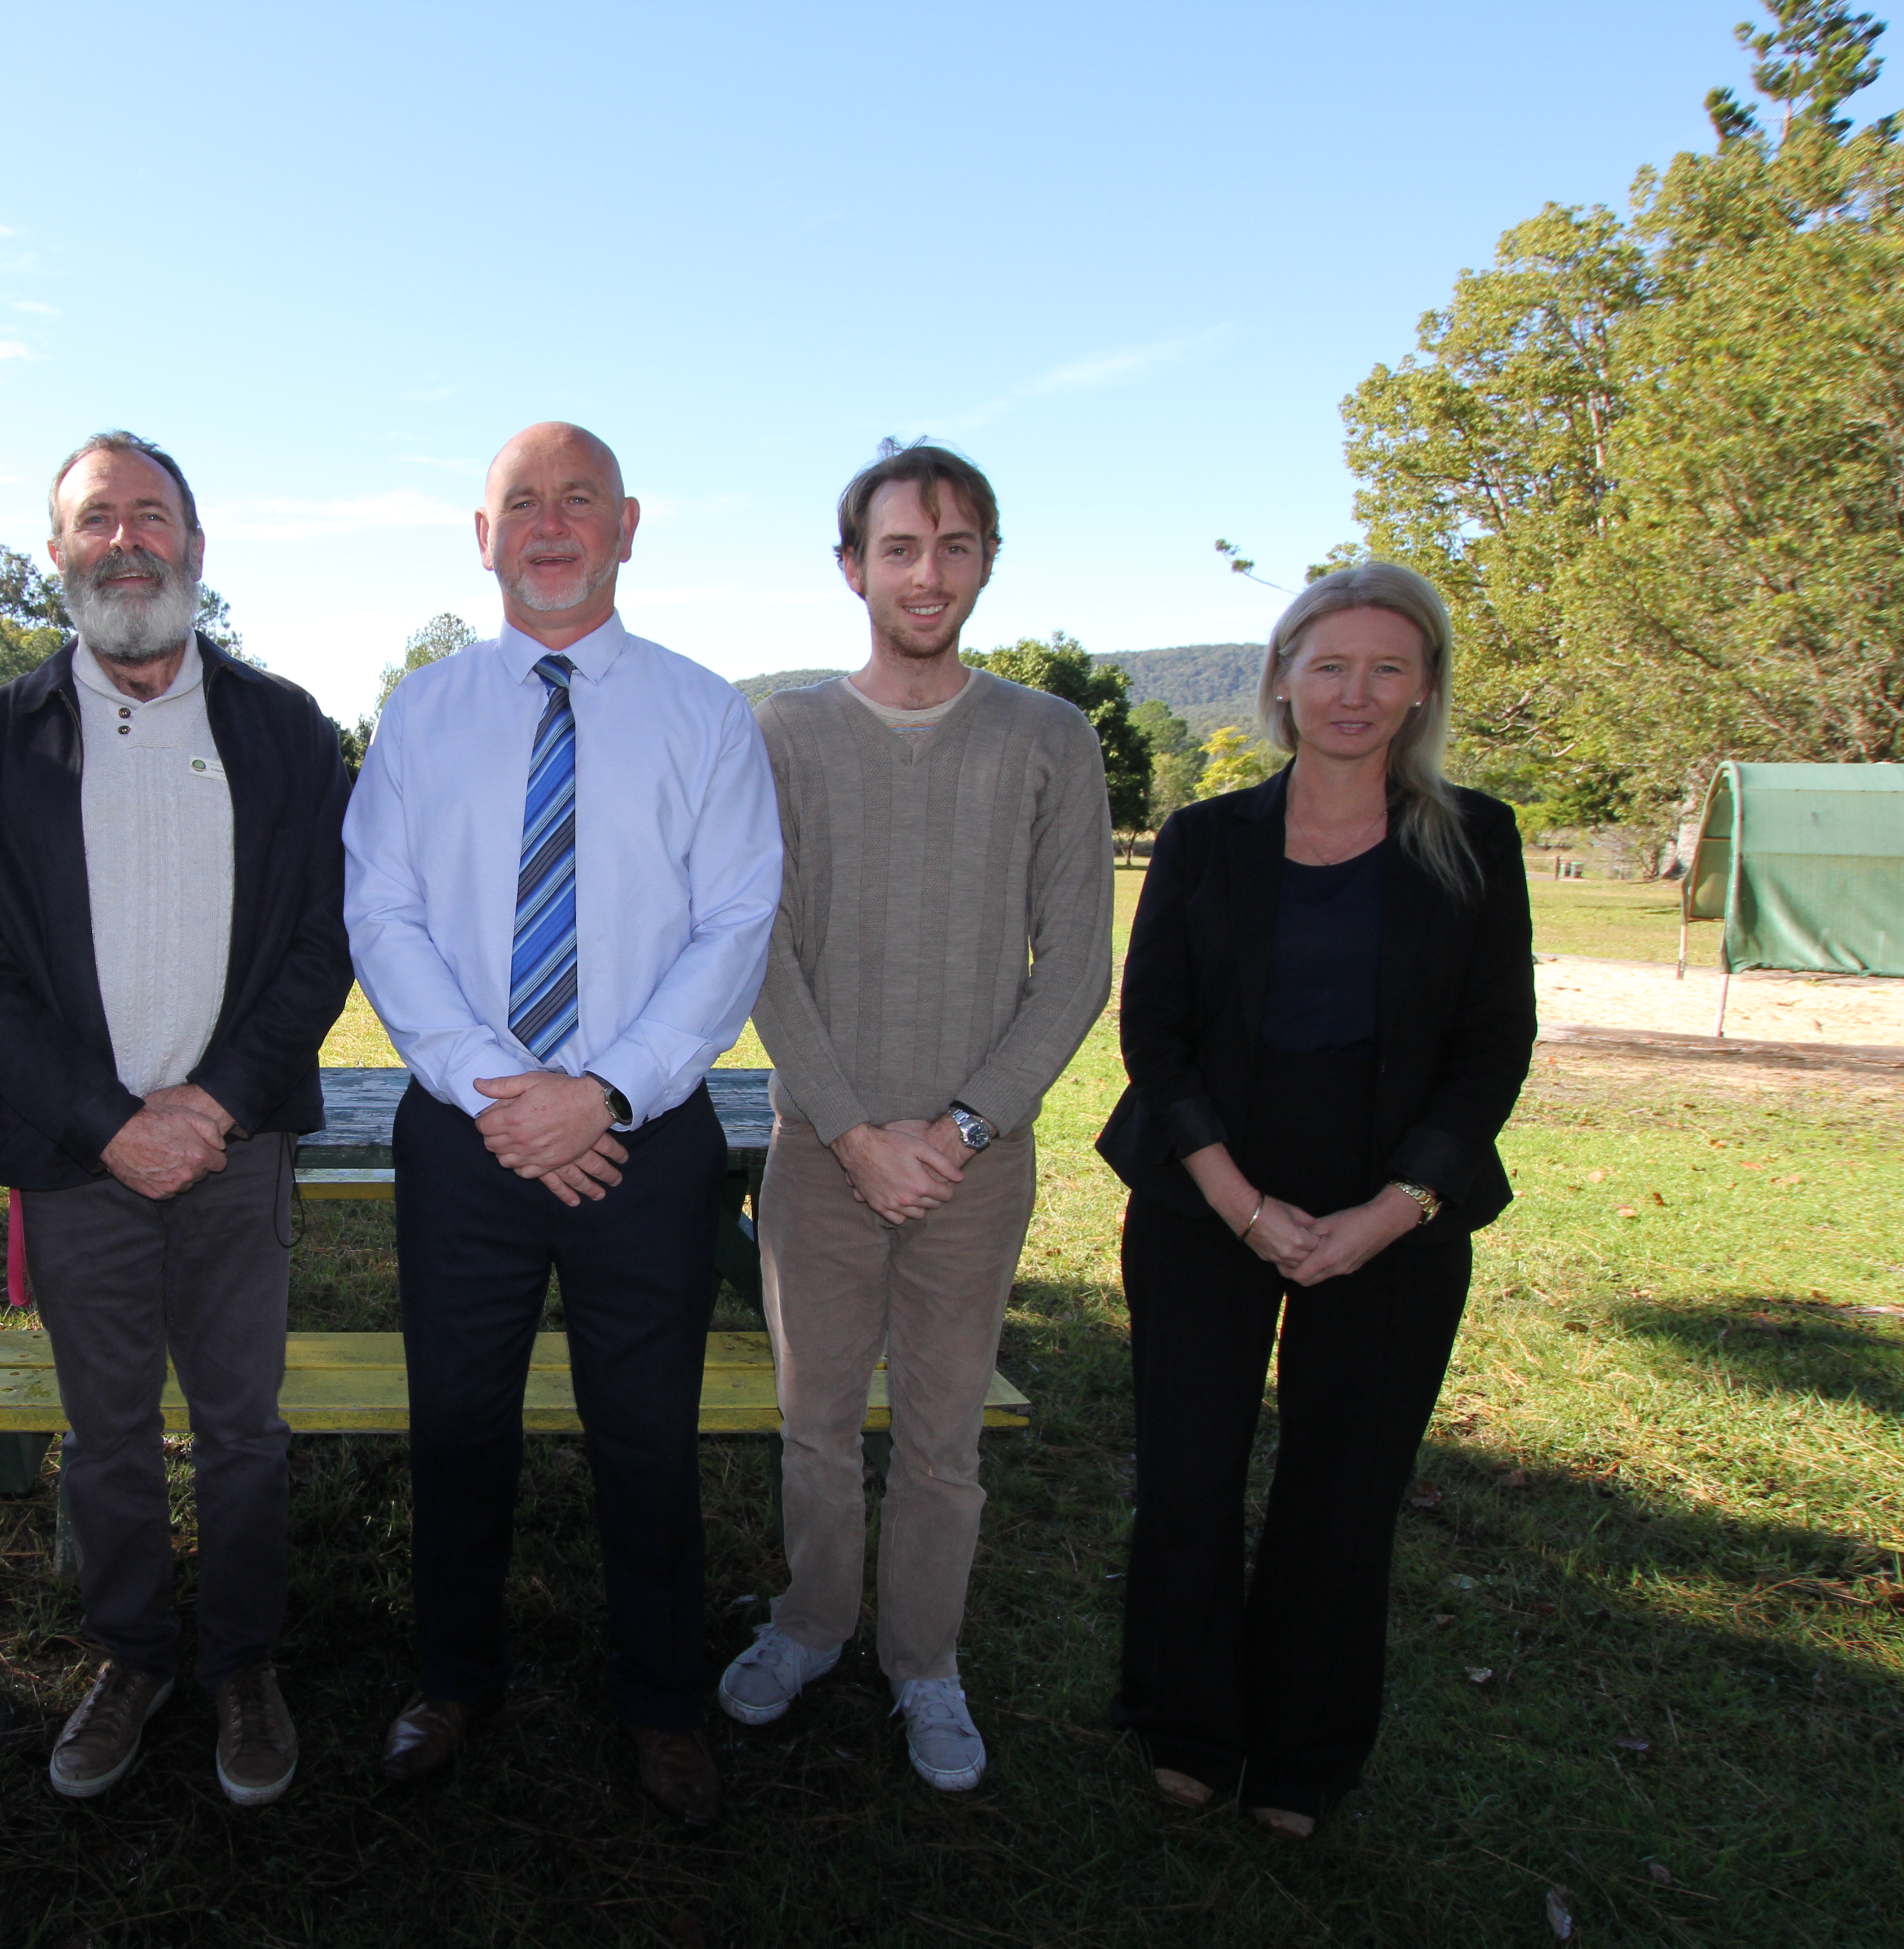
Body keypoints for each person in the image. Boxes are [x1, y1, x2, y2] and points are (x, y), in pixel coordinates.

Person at [345, 421, 781, 1827]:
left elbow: (734, 924)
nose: (549, 525)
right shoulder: (420, 713)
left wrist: (599, 1092)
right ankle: (454, 1677)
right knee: (457, 1422)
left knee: (645, 1436)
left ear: (629, 525)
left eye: (577, 500)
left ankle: (662, 1701)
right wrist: (495, 1084)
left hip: (640, 1139)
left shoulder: (707, 713)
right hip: (463, 1136)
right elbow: (384, 913)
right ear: (482, 539)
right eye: (519, 503)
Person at [0, 432, 352, 1807]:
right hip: (76, 1155)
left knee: (243, 1430)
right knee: (105, 1434)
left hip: (240, 1148)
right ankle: (127, 1653)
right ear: (58, 555)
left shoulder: (284, 730)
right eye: (94, 520)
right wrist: (110, 1122)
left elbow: (322, 943)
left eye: (150, 516)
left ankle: (240, 1662)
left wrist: (212, 1103)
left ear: (197, 549)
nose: (125, 541)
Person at [1095, 562, 1534, 1838]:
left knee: (1345, 1492)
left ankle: (1304, 1755)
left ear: (1425, 689)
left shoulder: (1477, 840)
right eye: (1329, 666)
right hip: (1206, 1194)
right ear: (1283, 678)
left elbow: (1491, 1048)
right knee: (1188, 1475)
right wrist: (1239, 1203)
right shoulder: (1204, 837)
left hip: (1397, 1205)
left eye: (1387, 668)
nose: (1355, 693)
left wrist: (1395, 1209)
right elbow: (1156, 1036)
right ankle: (1187, 1724)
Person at [725, 443, 1115, 1789]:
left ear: (987, 562)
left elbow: (1074, 967)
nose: (927, 574)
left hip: (973, 1167)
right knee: (816, 1425)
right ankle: (812, 1624)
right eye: (900, 548)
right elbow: (759, 949)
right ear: (854, 569)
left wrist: (959, 1131)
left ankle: (925, 1663)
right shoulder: (784, 734)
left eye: (954, 548)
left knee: (945, 1440)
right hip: (820, 1155)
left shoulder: (1049, 738)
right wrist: (850, 1129)